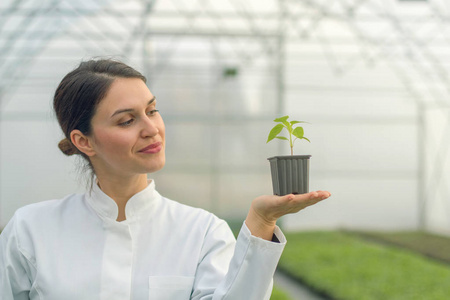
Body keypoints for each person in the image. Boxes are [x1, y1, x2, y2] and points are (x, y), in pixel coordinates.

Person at [0, 59, 331, 300]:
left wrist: (261, 220)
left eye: (152, 110)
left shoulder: (202, 232)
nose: (151, 128)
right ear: (84, 141)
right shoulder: (30, 230)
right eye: (127, 120)